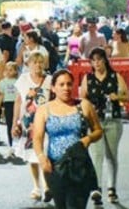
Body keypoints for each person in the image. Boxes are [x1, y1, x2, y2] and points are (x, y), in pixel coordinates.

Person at [33, 70, 104, 209]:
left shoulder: (83, 105)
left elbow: (98, 131)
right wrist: (41, 157)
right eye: (61, 84)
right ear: (53, 88)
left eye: (69, 84)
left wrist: (88, 139)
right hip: (55, 167)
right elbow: (37, 137)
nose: (66, 88)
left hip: (79, 166)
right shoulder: (44, 109)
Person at [81, 48, 127, 206]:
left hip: (113, 120)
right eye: (93, 60)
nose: (96, 63)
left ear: (105, 60)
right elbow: (83, 99)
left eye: (99, 60)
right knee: (97, 155)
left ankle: (112, 188)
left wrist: (118, 96)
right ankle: (97, 188)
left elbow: (126, 96)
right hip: (95, 122)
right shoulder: (88, 78)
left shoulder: (115, 76)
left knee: (111, 155)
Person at [13, 50, 52, 201]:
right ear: (28, 64)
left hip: (46, 121)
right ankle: (36, 186)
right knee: (31, 155)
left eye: (40, 62)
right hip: (28, 122)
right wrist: (15, 122)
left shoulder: (49, 79)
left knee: (44, 152)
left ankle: (47, 186)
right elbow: (18, 101)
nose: (38, 65)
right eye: (34, 62)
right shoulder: (23, 79)